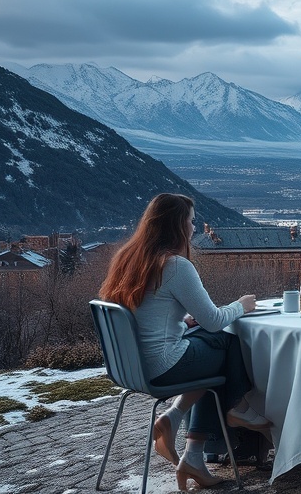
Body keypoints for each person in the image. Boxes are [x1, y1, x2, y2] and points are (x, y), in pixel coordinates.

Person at [98, 193, 270, 490]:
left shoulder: (128, 258)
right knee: (225, 343)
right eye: (190, 222)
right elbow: (215, 320)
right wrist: (242, 305)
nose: (193, 228)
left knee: (209, 346)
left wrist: (181, 321)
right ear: (177, 226)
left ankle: (182, 428)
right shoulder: (175, 265)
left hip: (131, 366)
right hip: (163, 366)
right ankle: (237, 408)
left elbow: (148, 312)